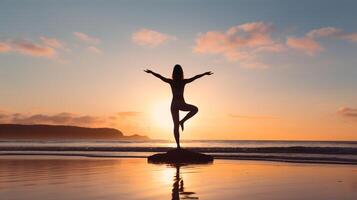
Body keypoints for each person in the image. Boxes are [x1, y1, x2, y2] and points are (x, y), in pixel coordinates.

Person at [144, 64, 213, 148]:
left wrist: (151, 72)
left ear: (173, 73)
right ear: (181, 73)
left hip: (174, 105)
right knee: (195, 109)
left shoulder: (172, 81)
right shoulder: (182, 82)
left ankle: (178, 145)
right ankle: (182, 122)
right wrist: (205, 74)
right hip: (180, 103)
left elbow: (160, 76)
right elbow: (195, 77)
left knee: (176, 126)